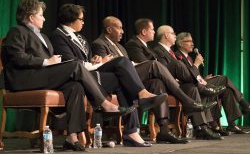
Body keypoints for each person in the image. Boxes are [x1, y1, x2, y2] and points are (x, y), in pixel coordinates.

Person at [1, 0, 151, 151]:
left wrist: (56, 62)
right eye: (41, 15)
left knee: (76, 86)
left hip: (43, 76)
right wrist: (47, 62)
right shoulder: (17, 31)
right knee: (74, 65)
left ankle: (71, 137)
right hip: (25, 78)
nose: (44, 18)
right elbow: (17, 57)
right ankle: (104, 104)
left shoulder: (44, 37)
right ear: (31, 17)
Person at [49, 4, 168, 146]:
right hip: (79, 76)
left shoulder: (80, 37)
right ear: (71, 19)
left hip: (91, 72)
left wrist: (95, 60)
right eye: (81, 19)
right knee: (122, 63)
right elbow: (71, 62)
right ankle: (140, 100)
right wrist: (99, 63)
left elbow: (86, 60)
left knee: (123, 77)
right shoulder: (58, 35)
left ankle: (132, 131)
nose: (83, 22)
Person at [91, 16, 220, 140]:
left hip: (137, 77)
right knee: (157, 65)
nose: (122, 31)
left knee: (159, 82)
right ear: (109, 29)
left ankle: (164, 131)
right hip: (119, 80)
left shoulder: (121, 47)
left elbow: (128, 63)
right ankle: (192, 96)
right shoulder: (100, 43)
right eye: (119, 28)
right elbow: (108, 66)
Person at [125, 18, 224, 139]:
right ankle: (197, 93)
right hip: (144, 82)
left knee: (190, 87)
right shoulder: (134, 44)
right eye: (152, 29)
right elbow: (146, 65)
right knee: (176, 65)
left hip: (162, 81)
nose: (154, 32)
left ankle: (201, 128)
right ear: (144, 31)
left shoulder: (148, 47)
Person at [175, 32, 250, 134]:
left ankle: (232, 124)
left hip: (200, 83)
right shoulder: (178, 56)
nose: (192, 44)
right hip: (189, 88)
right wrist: (196, 64)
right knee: (224, 79)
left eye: (192, 41)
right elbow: (187, 76)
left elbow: (195, 76)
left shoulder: (189, 58)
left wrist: (204, 78)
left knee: (226, 89)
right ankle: (245, 105)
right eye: (189, 41)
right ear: (180, 43)